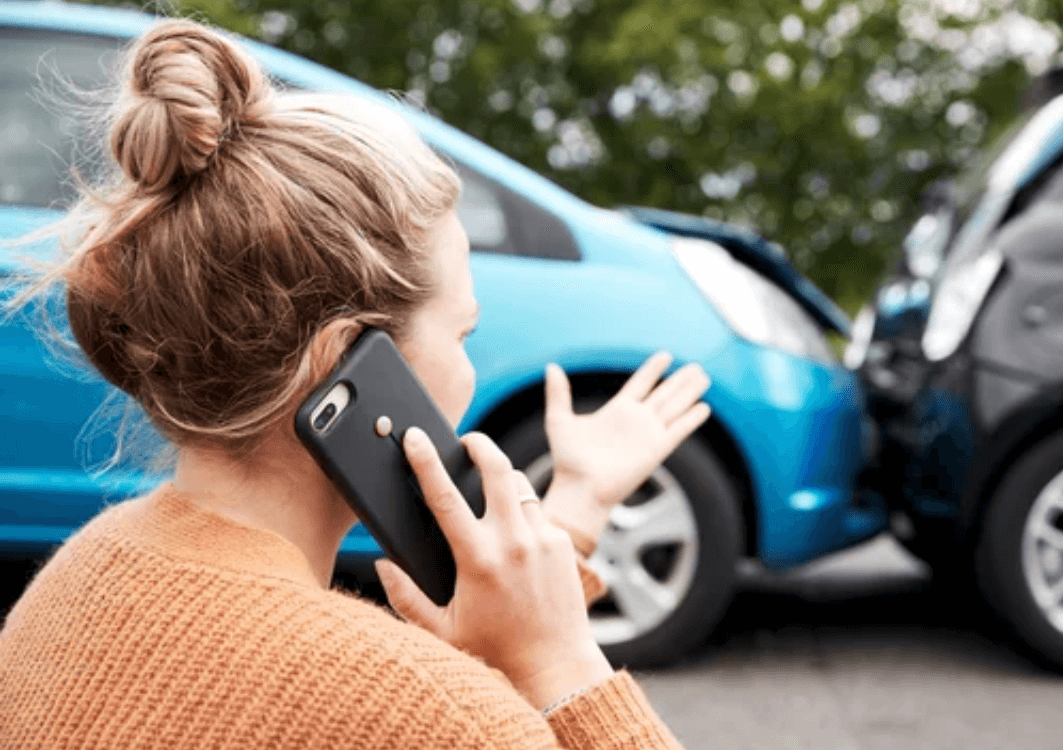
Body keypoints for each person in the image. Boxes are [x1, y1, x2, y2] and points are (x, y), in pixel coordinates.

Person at [0, 18, 716, 749]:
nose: (467, 364)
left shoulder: (78, 578)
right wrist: (562, 662)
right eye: (461, 333)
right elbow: (416, 710)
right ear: (343, 363)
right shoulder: (432, 713)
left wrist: (574, 512)